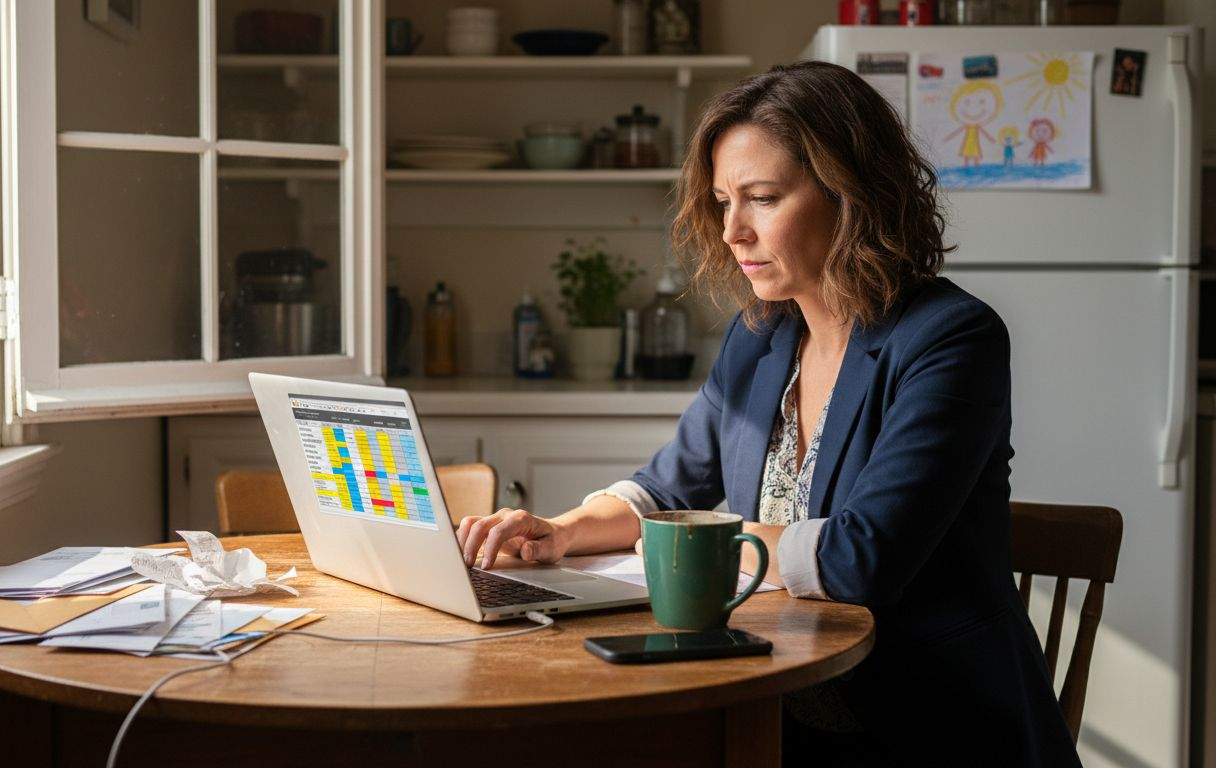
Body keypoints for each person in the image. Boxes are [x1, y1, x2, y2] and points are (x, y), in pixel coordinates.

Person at [456, 61, 1079, 767]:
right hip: (778, 707)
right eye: (724, 201)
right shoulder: (760, 337)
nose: (733, 232)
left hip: (931, 726)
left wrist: (697, 546)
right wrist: (561, 532)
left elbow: (862, 557)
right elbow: (667, 490)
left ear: (853, 195)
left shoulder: (950, 338)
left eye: (761, 198)